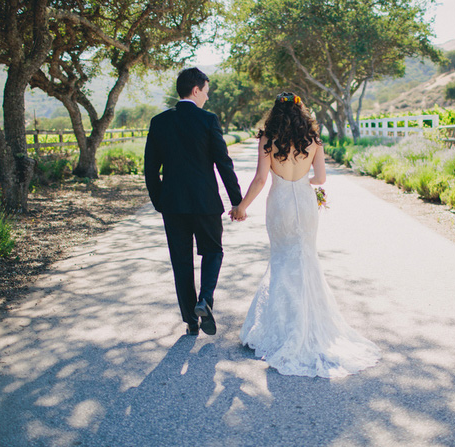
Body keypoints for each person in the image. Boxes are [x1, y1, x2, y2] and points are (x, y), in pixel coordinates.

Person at [229, 92, 381, 378]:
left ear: (275, 112)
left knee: (282, 261)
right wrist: (303, 182)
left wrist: (241, 207)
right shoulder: (313, 140)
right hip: (305, 203)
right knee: (306, 259)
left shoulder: (268, 140)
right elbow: (321, 179)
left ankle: (284, 327)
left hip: (280, 204)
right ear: (302, 112)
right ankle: (311, 325)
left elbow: (261, 179)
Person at [145, 67, 242, 337]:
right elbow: (224, 163)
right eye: (206, 93)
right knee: (213, 251)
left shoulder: (159, 121)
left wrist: (159, 201)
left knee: (181, 261)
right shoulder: (208, 120)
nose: (207, 99)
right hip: (205, 202)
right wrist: (237, 201)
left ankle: (190, 321)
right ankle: (205, 300)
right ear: (196, 90)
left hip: (172, 204)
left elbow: (150, 168)